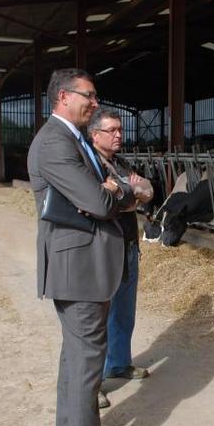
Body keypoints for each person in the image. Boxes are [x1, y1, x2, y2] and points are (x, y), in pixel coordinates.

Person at [27, 68, 135, 426]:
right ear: (62, 97)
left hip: (84, 265)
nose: (94, 102)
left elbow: (105, 192)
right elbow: (99, 199)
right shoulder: (55, 142)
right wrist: (119, 189)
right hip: (80, 268)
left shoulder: (71, 138)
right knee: (88, 366)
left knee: (75, 360)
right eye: (88, 95)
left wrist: (112, 188)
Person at [88, 109, 153, 398]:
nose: (118, 135)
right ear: (95, 134)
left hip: (129, 244)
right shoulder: (90, 165)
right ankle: (95, 382)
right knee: (99, 316)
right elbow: (105, 203)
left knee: (125, 311)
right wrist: (130, 192)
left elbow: (149, 190)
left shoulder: (121, 163)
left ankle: (119, 364)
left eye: (120, 130)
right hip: (104, 249)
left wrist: (125, 191)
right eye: (112, 130)